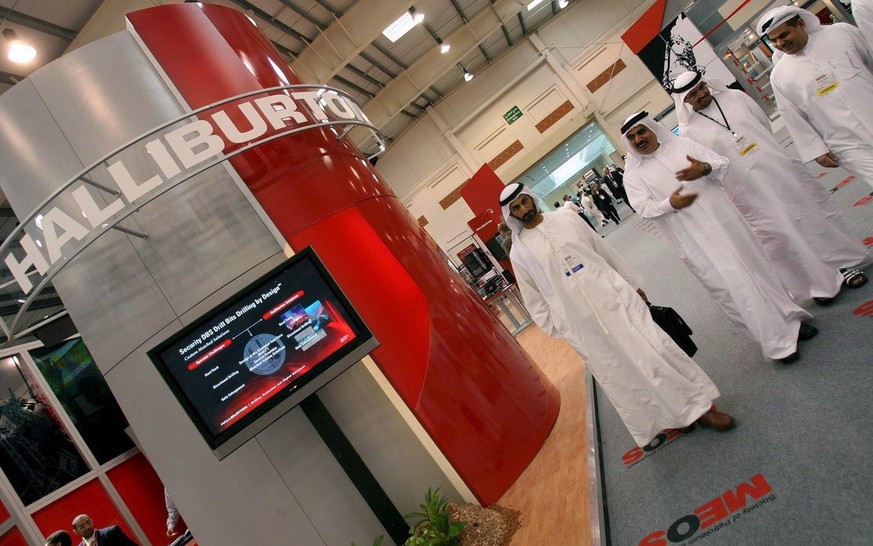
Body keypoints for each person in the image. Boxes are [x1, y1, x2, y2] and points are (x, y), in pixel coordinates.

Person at [499, 182, 734, 447]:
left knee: (656, 350)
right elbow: (533, 298)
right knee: (623, 375)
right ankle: (673, 418)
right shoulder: (520, 253)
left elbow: (602, 249)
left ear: (532, 198)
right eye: (516, 207)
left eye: (524, 201)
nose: (523, 209)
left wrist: (632, 283)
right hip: (584, 327)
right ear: (512, 215)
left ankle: (700, 410)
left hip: (615, 298)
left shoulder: (566, 218)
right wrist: (562, 326)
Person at [620, 111, 816, 363]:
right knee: (735, 286)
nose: (638, 139)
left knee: (760, 267)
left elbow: (722, 163)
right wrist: (671, 202)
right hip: (695, 238)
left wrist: (704, 168)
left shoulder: (682, 145)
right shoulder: (634, 175)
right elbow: (644, 209)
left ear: (652, 129)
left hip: (726, 220)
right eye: (632, 137)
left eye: (641, 131)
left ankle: (791, 320)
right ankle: (776, 341)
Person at [671, 70, 869, 301]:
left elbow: (763, 124)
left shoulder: (735, 97)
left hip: (779, 169)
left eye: (702, 88)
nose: (701, 95)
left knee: (813, 216)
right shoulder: (688, 131)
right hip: (746, 188)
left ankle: (843, 265)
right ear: (685, 101)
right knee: (783, 235)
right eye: (693, 95)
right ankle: (817, 285)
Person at [758, 6, 873, 189]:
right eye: (774, 41)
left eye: (784, 35)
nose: (780, 44)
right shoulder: (780, 75)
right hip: (846, 142)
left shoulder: (841, 33)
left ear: (801, 24)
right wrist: (815, 149)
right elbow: (792, 115)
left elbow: (870, 58)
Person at [71, 515, 137, 546]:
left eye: (88, 522)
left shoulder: (112, 532)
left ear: (92, 521)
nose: (87, 527)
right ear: (76, 532)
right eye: (82, 527)